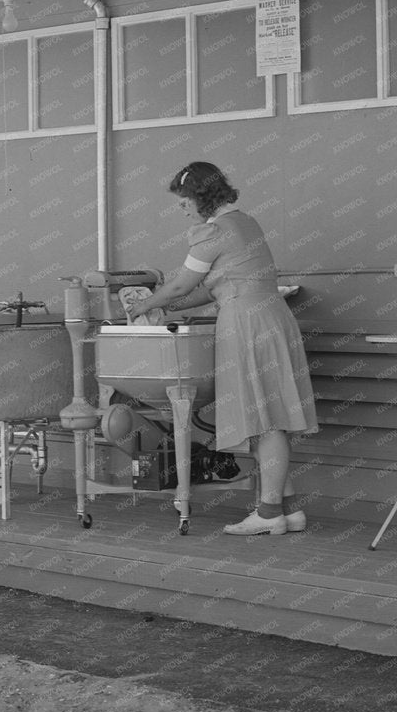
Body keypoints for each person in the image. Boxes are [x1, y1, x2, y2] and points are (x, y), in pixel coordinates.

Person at [125, 161, 319, 536]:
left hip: (247, 323)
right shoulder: (245, 223)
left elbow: (182, 284)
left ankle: (268, 515)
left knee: (265, 420)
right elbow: (205, 287)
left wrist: (146, 305)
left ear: (201, 197)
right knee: (271, 416)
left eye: (184, 203)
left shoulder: (213, 232)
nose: (182, 211)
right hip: (270, 317)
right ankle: (287, 510)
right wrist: (168, 303)